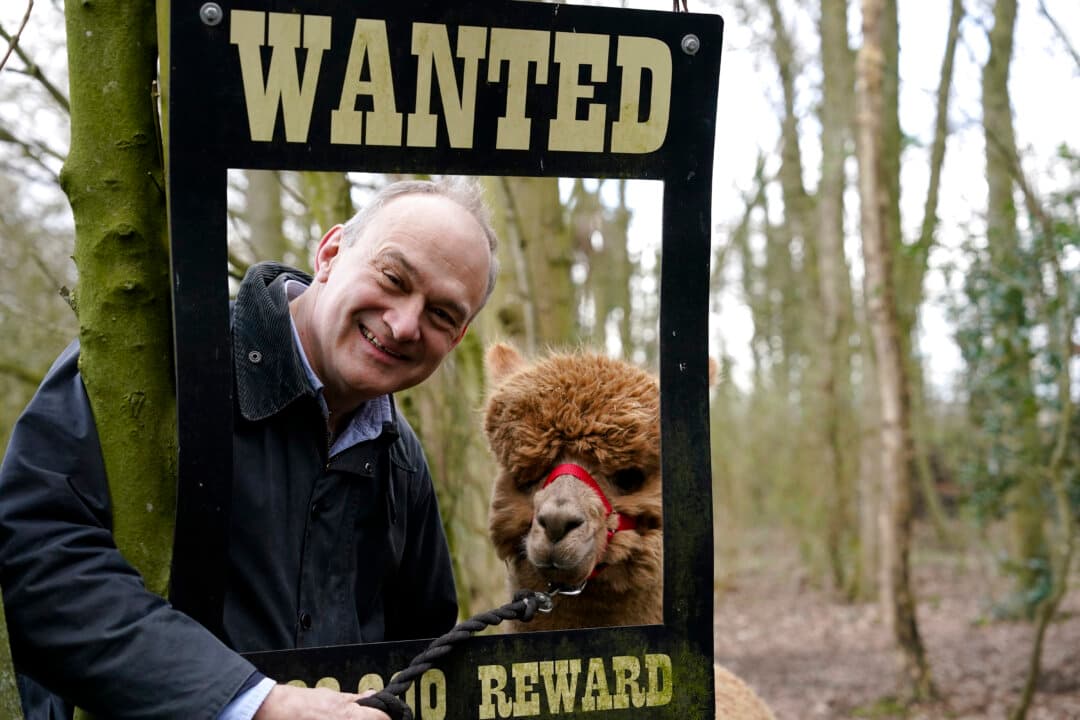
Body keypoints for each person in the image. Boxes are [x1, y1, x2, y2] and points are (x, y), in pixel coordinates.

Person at [0, 177, 499, 719]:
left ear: (458, 337)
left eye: (441, 314)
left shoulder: (401, 460)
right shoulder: (161, 369)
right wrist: (256, 704)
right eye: (393, 277)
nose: (405, 325)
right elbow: (38, 559)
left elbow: (420, 661)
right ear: (331, 253)